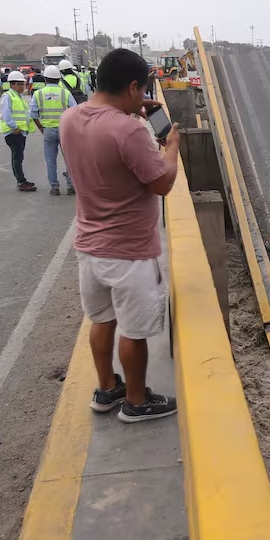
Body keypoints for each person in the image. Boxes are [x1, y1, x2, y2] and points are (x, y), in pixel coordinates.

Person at [59, 48, 181, 423]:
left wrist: (129, 108)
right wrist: (172, 149)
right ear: (132, 86)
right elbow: (162, 183)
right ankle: (137, 400)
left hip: (89, 247)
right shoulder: (128, 130)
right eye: (140, 89)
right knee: (134, 331)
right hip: (129, 252)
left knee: (102, 321)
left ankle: (107, 388)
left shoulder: (69, 119)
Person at [30, 65, 76, 196]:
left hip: (48, 130)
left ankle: (54, 187)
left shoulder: (38, 94)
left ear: (45, 79)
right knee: (69, 159)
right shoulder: (65, 93)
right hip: (65, 131)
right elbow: (75, 111)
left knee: (51, 161)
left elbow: (33, 114)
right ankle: (70, 186)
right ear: (58, 79)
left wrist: (41, 128)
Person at [0, 70, 37, 192]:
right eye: (19, 84)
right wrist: (14, 127)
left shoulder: (18, 97)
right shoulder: (7, 96)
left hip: (20, 131)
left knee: (19, 157)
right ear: (12, 85)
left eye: (23, 84)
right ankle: (21, 182)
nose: (22, 86)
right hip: (13, 132)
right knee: (17, 157)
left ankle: (22, 180)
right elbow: (6, 113)